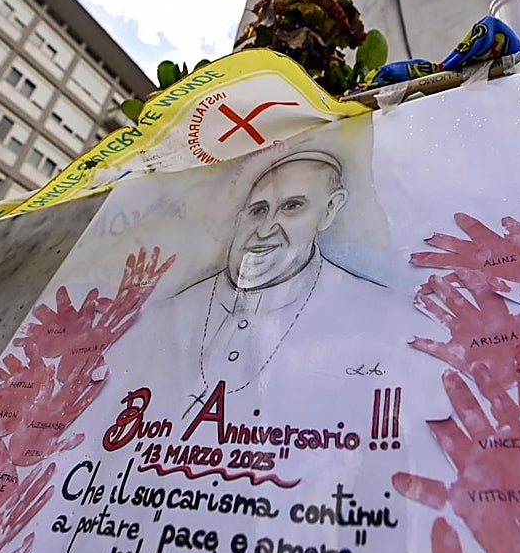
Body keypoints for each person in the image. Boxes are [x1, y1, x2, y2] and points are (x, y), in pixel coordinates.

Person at [166, 150, 399, 412]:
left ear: (330, 209)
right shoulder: (167, 315)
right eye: (258, 210)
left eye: (292, 207)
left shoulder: (385, 315)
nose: (265, 230)